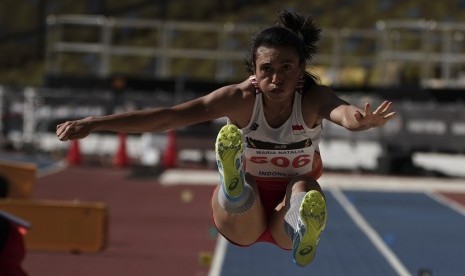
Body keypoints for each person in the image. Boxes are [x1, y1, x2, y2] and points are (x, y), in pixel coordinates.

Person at [56, 10, 396, 267]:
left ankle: (304, 225)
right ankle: (235, 188)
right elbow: (170, 117)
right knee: (256, 184)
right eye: (267, 70)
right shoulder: (239, 99)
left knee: (305, 187)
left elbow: (343, 112)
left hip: (284, 220)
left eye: (287, 68)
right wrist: (96, 123)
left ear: (301, 67)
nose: (277, 79)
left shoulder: (313, 99)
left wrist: (361, 121)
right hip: (239, 218)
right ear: (254, 70)